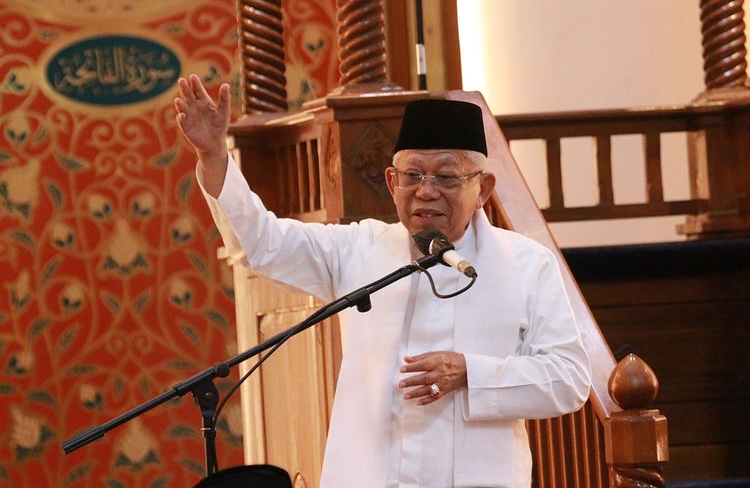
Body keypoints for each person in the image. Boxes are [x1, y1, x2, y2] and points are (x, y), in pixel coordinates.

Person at [174, 74, 591, 488]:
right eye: (412, 176)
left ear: (483, 189)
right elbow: (261, 245)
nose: (426, 192)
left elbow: (569, 379)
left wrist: (470, 372)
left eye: (446, 177)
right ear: (392, 183)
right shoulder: (360, 248)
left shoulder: (527, 264)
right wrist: (213, 156)